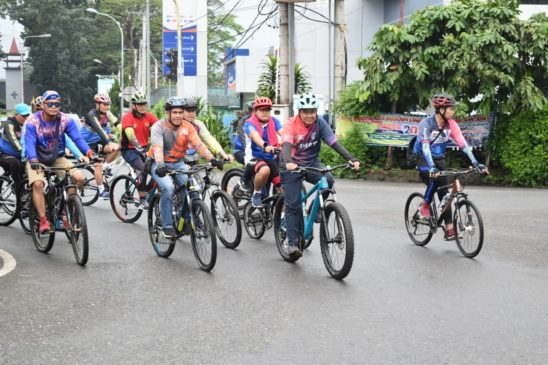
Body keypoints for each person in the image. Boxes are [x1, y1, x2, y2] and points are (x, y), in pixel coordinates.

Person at [281, 93, 360, 257]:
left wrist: (351, 159)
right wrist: (288, 161)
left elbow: (333, 143)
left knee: (328, 179)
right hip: (291, 165)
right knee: (293, 205)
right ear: (299, 112)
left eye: (313, 111)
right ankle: (292, 243)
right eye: (306, 112)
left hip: (311, 163)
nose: (310, 115)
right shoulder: (291, 124)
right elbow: (286, 145)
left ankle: (313, 211)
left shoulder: (320, 123)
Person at [412, 93, 488, 240]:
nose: (453, 112)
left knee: (446, 194)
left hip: (439, 159)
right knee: (436, 179)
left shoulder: (451, 124)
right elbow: (426, 147)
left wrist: (475, 162)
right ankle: (425, 207)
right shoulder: (426, 124)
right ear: (441, 109)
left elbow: (463, 144)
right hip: (423, 159)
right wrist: (432, 167)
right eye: (451, 109)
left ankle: (449, 230)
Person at [148, 97, 221, 238]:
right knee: (168, 188)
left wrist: (212, 158)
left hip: (179, 163)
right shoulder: (159, 127)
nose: (178, 116)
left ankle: (186, 219)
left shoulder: (187, 127)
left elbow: (199, 145)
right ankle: (167, 225)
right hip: (159, 164)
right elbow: (157, 148)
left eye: (180, 112)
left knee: (194, 190)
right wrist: (161, 165)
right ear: (167, 113)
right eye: (174, 112)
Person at [24, 90, 96, 233]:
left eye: (57, 104)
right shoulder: (33, 121)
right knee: (38, 184)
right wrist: (33, 160)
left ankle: (67, 209)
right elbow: (30, 142)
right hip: (36, 159)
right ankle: (44, 221)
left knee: (78, 178)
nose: (53, 106)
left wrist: (89, 152)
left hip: (57, 157)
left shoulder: (65, 120)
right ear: (43, 105)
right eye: (50, 103)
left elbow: (77, 138)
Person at [120, 91, 158, 209]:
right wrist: (140, 149)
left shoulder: (149, 116)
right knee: (144, 169)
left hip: (145, 148)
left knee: (160, 167)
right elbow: (131, 137)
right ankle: (142, 199)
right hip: (129, 149)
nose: (142, 107)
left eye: (144, 104)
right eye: (139, 104)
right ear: (134, 106)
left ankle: (147, 189)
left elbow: (160, 128)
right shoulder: (127, 118)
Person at [243, 96, 283, 208]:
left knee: (285, 191)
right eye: (261, 110)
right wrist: (265, 146)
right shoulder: (249, 123)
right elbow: (255, 136)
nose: (265, 112)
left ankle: (282, 219)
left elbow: (283, 133)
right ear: (255, 111)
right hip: (253, 157)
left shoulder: (274, 121)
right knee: (265, 170)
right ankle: (256, 193)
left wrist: (292, 143)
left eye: (267, 110)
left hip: (270, 158)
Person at [80, 92, 120, 199]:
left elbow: (114, 124)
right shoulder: (91, 115)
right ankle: (101, 191)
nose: (106, 107)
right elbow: (99, 129)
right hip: (86, 143)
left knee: (118, 148)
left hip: (98, 142)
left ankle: (106, 168)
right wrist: (108, 142)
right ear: (97, 104)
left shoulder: (107, 114)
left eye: (108, 104)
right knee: (98, 163)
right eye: (104, 104)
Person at [179, 97, 233, 166]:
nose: (191, 113)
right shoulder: (177, 124)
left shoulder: (198, 124)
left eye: (193, 111)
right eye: (188, 111)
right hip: (178, 161)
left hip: (193, 160)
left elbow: (209, 139)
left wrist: (223, 154)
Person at [0, 103, 31, 192]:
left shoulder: (28, 124)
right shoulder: (9, 124)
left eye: (27, 115)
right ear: (16, 115)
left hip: (20, 155)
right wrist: (24, 152)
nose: (26, 118)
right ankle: (19, 192)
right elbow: (14, 141)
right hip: (5, 154)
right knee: (16, 163)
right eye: (23, 116)